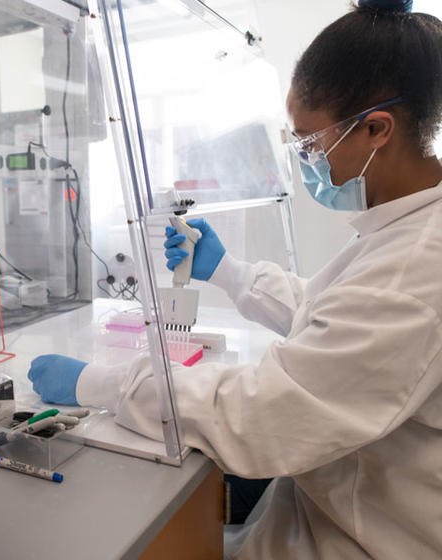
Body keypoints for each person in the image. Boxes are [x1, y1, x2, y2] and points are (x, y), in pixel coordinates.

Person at [28, 0, 442, 557]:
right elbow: (335, 319)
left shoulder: (417, 267)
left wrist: (99, 383)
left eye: (310, 143)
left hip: (357, 536)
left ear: (376, 129)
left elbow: (262, 415)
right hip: (332, 494)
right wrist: (229, 272)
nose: (305, 160)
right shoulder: (406, 222)